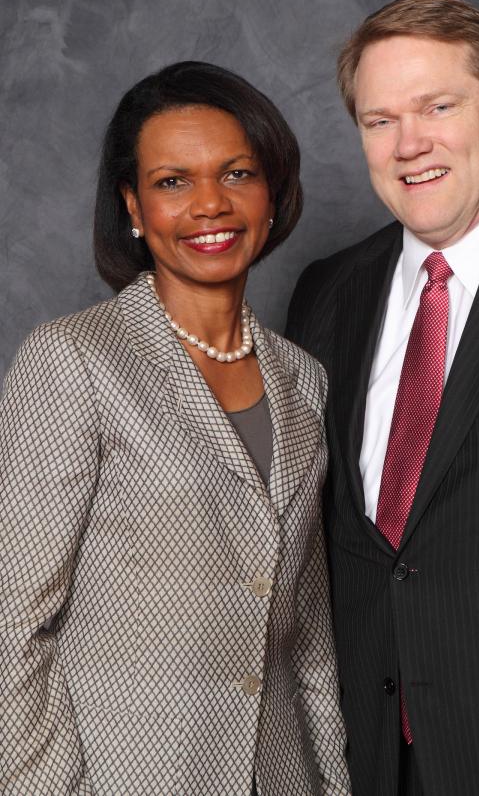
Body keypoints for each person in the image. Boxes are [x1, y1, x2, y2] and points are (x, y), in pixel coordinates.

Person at [0, 61, 351, 795]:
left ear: (271, 192)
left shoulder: (303, 379)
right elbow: (10, 626)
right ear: (132, 205)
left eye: (237, 173)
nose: (210, 205)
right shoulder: (73, 361)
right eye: (172, 182)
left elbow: (307, 634)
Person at [286, 0, 479, 796]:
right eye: (379, 120)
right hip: (369, 765)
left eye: (437, 106)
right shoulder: (327, 294)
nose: (409, 144)